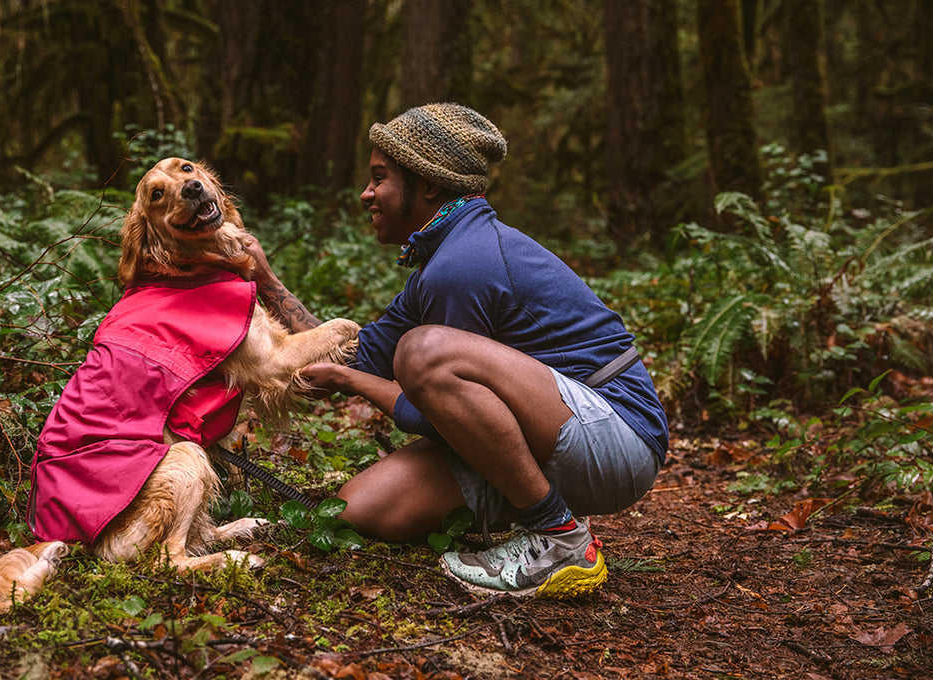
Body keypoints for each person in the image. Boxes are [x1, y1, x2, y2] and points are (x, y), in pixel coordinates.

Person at [247, 103, 668, 599]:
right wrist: (265, 281)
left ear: (427, 184)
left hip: (617, 437)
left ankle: (559, 538)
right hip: (555, 439)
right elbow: (354, 355)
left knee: (424, 352)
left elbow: (431, 406)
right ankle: (545, 509)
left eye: (379, 177)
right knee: (360, 507)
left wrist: (354, 384)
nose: (367, 194)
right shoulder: (442, 262)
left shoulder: (465, 264)